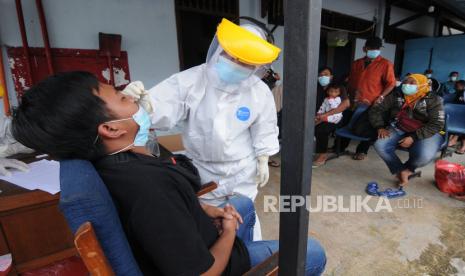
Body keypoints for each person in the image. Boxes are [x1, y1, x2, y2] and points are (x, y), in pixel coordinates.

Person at [12, 71, 327, 276]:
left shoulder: (110, 161)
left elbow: (164, 192)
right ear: (109, 129)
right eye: (122, 98)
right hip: (214, 264)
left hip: (184, 234)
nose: (133, 98)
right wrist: (228, 231)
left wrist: (203, 208)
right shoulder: (150, 189)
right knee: (311, 251)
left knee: (241, 203)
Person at [122, 19, 281, 239]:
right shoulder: (190, 81)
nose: (236, 64)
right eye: (232, 56)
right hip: (204, 170)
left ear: (256, 66)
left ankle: (248, 257)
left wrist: (263, 157)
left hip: (243, 170)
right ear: (221, 50)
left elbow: (264, 127)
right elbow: (161, 107)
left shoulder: (259, 91)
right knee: (209, 224)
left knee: (243, 219)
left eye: (245, 62)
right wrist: (140, 105)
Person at [369, 74, 445, 187]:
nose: (407, 85)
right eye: (405, 82)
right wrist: (379, 126)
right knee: (380, 145)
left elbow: (437, 124)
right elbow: (376, 109)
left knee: (424, 155)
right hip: (400, 127)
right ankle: (400, 170)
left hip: (426, 131)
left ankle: (409, 169)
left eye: (412, 83)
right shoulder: (397, 95)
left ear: (422, 84)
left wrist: (413, 137)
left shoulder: (434, 100)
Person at [340, 37, 396, 160]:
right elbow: (352, 81)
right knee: (347, 122)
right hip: (354, 100)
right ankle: (339, 148)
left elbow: (391, 83)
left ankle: (362, 151)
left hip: (371, 102)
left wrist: (381, 97)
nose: (375, 50)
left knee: (367, 126)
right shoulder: (357, 63)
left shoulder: (385, 64)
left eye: (377, 48)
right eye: (372, 48)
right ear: (365, 48)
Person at [313, 83, 346, 167]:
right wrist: (319, 113)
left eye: (335, 92)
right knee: (314, 127)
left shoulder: (338, 99)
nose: (333, 93)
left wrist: (331, 99)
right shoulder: (326, 99)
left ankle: (322, 155)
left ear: (339, 93)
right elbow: (322, 107)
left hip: (335, 118)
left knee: (321, 130)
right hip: (326, 116)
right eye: (331, 91)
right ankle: (317, 150)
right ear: (328, 91)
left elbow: (334, 108)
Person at [447, 80, 465, 154]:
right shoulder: (457, 93)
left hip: (462, 117)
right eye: (455, 86)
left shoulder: (463, 92)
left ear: (463, 86)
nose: (455, 87)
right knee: (447, 125)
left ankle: (463, 146)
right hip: (456, 116)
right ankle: (452, 139)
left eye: (457, 86)